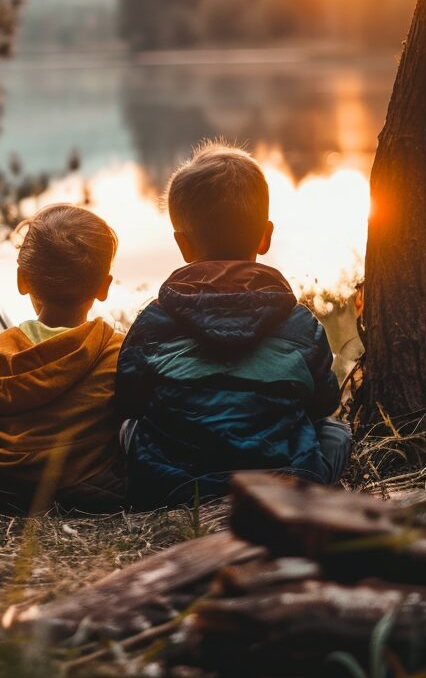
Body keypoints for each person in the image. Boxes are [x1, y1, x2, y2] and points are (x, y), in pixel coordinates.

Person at [115, 141, 351, 509]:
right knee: (335, 433)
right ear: (265, 236)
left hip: (173, 490)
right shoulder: (298, 323)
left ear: (182, 245)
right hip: (286, 486)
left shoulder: (155, 321)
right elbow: (324, 402)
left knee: (129, 429)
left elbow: (128, 399)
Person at [0, 205, 124, 512]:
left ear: (23, 280)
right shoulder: (117, 351)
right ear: (104, 287)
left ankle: (14, 498)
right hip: (86, 487)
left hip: (6, 481)